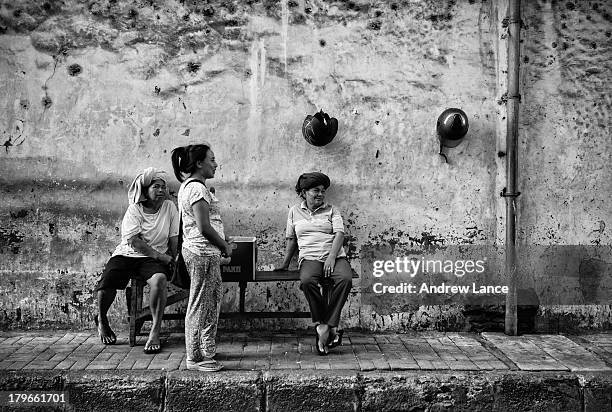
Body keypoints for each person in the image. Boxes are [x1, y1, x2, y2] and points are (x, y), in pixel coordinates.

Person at [96, 167, 178, 354]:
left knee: (159, 280)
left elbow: (174, 237)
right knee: (108, 279)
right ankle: (102, 319)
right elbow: (134, 241)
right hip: (128, 254)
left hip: (153, 258)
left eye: (163, 187)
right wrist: (160, 256)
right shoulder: (135, 209)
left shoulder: (170, 207)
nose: (161, 191)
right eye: (156, 187)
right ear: (145, 190)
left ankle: (155, 331)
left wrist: (173, 259)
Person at [171, 144, 233, 372]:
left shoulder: (195, 188)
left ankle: (207, 350)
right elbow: (204, 227)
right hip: (202, 254)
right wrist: (224, 245)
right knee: (200, 305)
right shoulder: (196, 189)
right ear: (199, 163)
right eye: (212, 159)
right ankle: (194, 357)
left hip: (206, 254)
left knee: (211, 302)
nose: (216, 164)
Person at [276, 172, 352, 355]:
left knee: (345, 279)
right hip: (310, 257)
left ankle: (325, 326)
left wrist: (332, 257)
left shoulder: (332, 210)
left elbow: (339, 234)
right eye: (315, 191)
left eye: (323, 191)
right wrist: (285, 264)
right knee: (307, 281)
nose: (320, 194)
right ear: (304, 193)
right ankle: (326, 325)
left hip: (334, 256)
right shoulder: (294, 211)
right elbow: (291, 239)